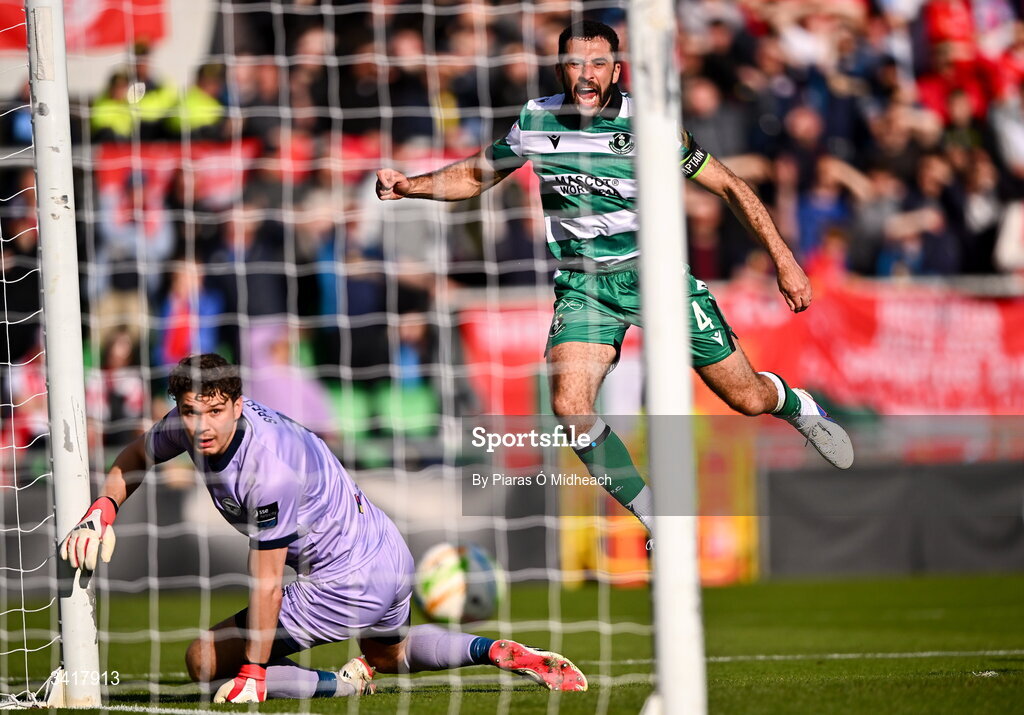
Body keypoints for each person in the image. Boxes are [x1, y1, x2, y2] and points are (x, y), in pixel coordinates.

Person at [376, 20, 854, 534]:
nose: (586, 75)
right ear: (560, 68)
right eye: (575, 64)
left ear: (616, 69)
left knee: (747, 398)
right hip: (584, 287)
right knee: (569, 406)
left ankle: (795, 403)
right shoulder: (537, 121)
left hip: (657, 280)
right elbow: (474, 175)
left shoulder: (649, 124)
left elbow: (731, 186)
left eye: (598, 64)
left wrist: (783, 258)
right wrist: (410, 186)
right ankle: (657, 519)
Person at [58, 353, 587, 702]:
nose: (202, 426)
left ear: (237, 405)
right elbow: (135, 455)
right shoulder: (197, 422)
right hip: (387, 553)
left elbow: (266, 581)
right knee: (388, 654)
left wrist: (254, 672)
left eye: (215, 412)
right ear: (179, 407)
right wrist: (104, 508)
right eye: (191, 413)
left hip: (347, 578)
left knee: (202, 660)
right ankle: (493, 651)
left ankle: (338, 685)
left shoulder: (267, 472)